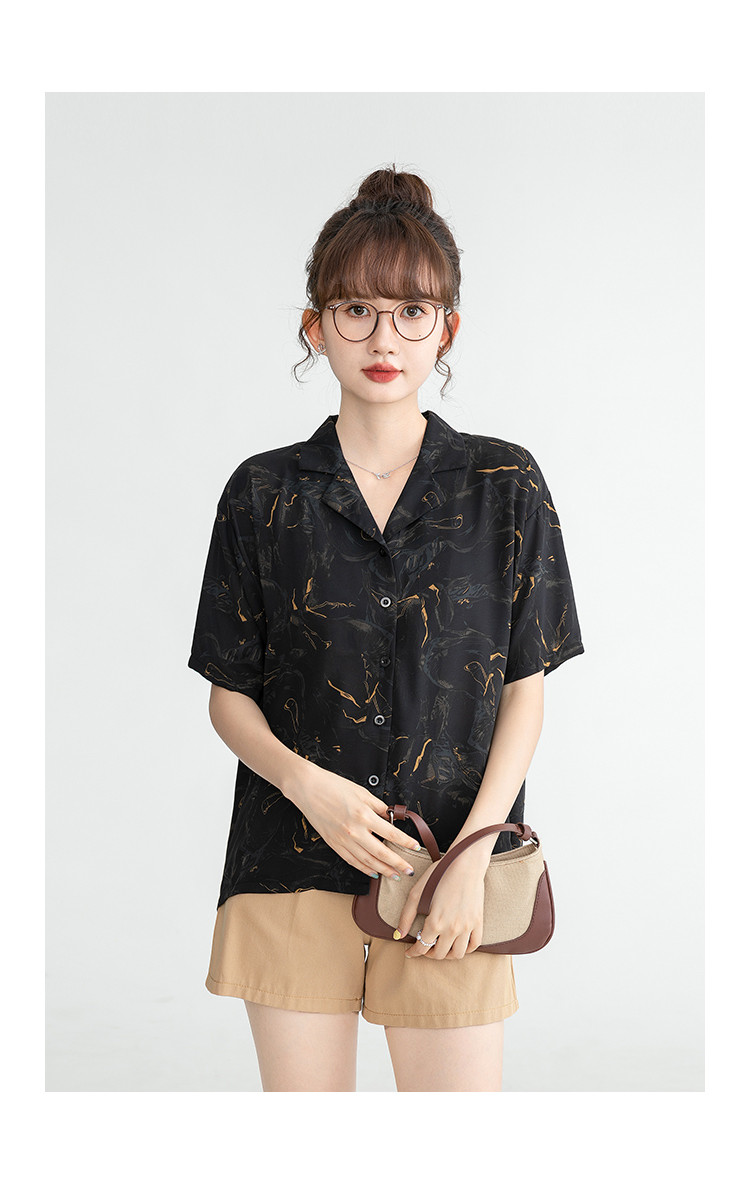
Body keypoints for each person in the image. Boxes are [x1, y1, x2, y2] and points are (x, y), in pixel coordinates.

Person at [187, 165, 585, 1092]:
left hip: (451, 872)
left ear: (448, 328)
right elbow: (229, 695)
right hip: (288, 865)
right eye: (356, 309)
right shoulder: (263, 492)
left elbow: (525, 688)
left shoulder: (504, 485)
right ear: (314, 324)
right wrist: (310, 789)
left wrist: (474, 854)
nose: (383, 338)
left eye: (412, 312)